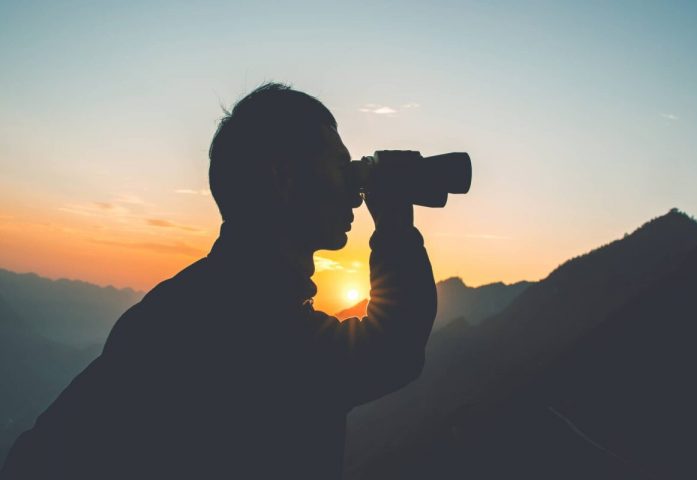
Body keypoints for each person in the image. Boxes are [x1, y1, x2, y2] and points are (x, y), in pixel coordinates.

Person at [1, 83, 437, 479]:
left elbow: (39, 455)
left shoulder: (178, 306)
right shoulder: (253, 330)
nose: (355, 191)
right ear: (283, 178)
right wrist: (395, 223)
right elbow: (393, 349)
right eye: (341, 167)